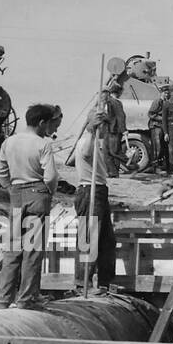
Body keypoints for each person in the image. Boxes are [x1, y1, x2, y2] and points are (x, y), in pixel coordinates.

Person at [0, 103, 60, 310]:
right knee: (33, 249)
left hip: (16, 195)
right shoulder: (42, 144)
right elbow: (51, 176)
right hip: (37, 193)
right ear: (41, 122)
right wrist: (49, 191)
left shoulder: (9, 142)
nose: (48, 129)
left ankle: (2, 300)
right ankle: (27, 298)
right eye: (48, 124)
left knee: (13, 249)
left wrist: (11, 188)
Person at [73, 110, 118, 292]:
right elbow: (84, 152)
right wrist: (92, 129)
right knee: (88, 240)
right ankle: (82, 283)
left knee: (107, 241)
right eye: (106, 127)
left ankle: (104, 283)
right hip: (89, 191)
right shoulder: (87, 141)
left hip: (100, 191)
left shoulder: (97, 144)